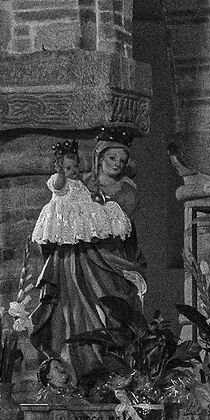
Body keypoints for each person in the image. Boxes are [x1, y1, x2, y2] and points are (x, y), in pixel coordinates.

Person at [25, 125, 148, 385]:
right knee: (73, 314)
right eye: (111, 158)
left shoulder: (127, 191)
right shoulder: (81, 184)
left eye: (122, 161)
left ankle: (109, 374)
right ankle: (77, 371)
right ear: (99, 157)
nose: (116, 164)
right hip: (75, 260)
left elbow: (123, 231)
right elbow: (62, 205)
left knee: (110, 312)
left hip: (109, 262)